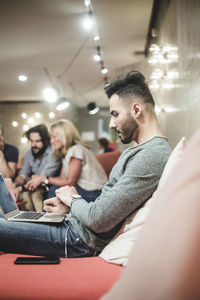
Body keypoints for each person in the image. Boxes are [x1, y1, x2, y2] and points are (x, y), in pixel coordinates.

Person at [0, 70, 171, 258]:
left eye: (115, 114)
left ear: (137, 110)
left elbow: (98, 220)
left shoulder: (152, 155)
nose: (112, 125)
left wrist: (72, 199)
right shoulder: (140, 151)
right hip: (74, 227)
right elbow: (104, 208)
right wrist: (69, 211)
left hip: (77, 239)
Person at [31, 119, 108, 202]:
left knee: (55, 191)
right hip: (89, 192)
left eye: (54, 137)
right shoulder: (67, 152)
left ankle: (46, 215)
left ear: (65, 135)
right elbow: (62, 178)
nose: (51, 141)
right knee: (54, 189)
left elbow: (70, 182)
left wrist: (43, 179)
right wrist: (41, 179)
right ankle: (46, 215)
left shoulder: (76, 150)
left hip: (97, 193)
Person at [14, 124, 62, 212]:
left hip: (48, 186)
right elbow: (23, 174)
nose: (33, 145)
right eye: (31, 141)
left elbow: (40, 179)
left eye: (37, 141)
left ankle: (41, 221)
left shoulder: (53, 153)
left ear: (45, 141)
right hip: (33, 186)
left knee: (34, 195)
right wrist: (14, 185)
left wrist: (21, 188)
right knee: (23, 195)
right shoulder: (30, 153)